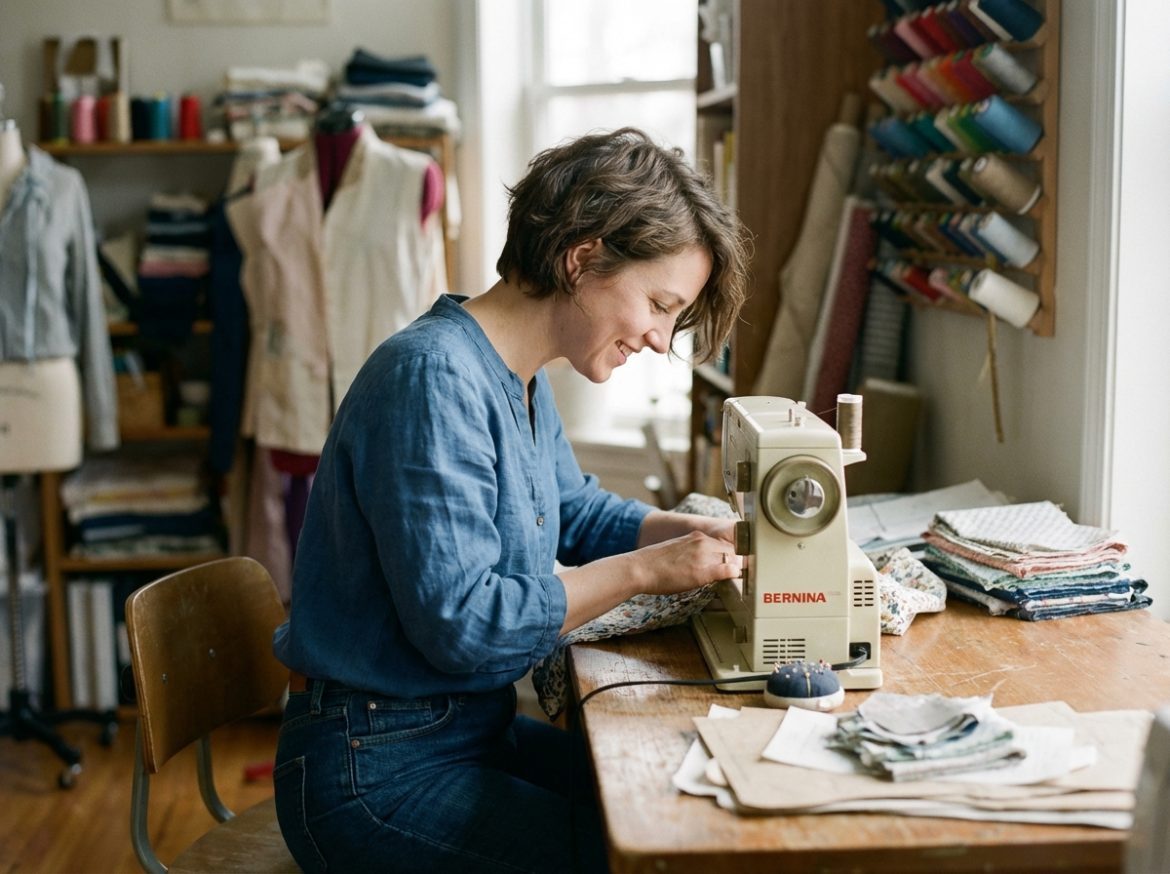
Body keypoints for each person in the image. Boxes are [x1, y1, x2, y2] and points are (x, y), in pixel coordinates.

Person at [271, 127, 749, 873]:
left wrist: (689, 531)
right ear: (582, 256)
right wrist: (650, 571)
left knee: (673, 809)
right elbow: (464, 625)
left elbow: (577, 512)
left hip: (457, 735)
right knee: (633, 857)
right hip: (372, 772)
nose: (660, 339)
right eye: (658, 303)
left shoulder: (518, 376)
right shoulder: (431, 379)